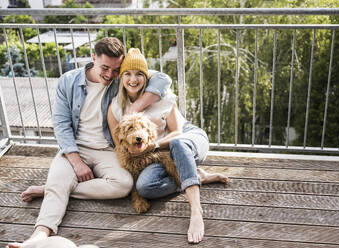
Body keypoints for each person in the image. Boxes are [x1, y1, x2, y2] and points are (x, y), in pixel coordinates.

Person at [7, 37, 173, 248]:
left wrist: (135, 107)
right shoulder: (68, 81)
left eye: (115, 70)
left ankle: (55, 188)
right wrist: (76, 161)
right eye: (105, 68)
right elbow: (61, 124)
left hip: (106, 149)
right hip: (74, 149)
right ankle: (38, 236)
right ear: (93, 58)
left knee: (124, 184)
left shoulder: (118, 80)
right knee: (59, 185)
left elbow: (163, 79)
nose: (110, 75)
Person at [107, 48, 228, 244]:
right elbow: (119, 143)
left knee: (178, 144)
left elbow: (177, 133)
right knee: (145, 186)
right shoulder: (115, 108)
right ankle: (195, 177)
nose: (133, 79)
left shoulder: (162, 98)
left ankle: (196, 211)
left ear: (146, 78)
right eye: (127, 74)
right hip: (161, 155)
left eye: (139, 74)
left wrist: (153, 145)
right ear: (121, 78)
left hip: (187, 139)